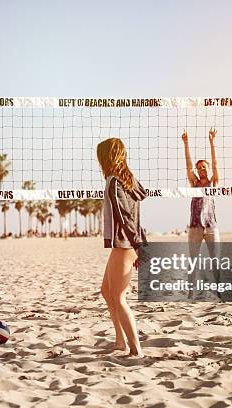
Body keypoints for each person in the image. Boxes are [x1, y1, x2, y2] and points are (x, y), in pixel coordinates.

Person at [97, 137, 147, 358]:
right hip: (125, 244)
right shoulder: (126, 179)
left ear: (106, 157)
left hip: (125, 244)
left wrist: (140, 246)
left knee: (118, 298)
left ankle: (136, 349)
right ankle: (120, 341)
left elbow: (127, 218)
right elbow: (141, 197)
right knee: (106, 292)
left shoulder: (115, 182)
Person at [182, 128, 220, 256]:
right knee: (193, 260)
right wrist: (186, 143)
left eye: (204, 167)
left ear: (208, 169)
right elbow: (188, 166)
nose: (201, 169)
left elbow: (215, 164)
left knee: (216, 260)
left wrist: (212, 142)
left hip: (211, 225)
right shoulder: (194, 184)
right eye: (199, 168)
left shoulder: (213, 182)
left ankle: (217, 277)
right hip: (195, 226)